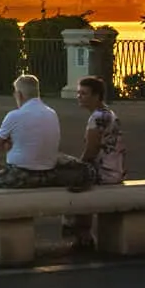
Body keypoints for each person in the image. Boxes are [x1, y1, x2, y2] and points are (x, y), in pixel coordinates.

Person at [60, 76, 126, 251]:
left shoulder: (97, 118)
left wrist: (77, 166)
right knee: (75, 176)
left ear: (97, 96)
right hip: (114, 170)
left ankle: (78, 231)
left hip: (104, 172)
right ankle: (82, 234)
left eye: (84, 93)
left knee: (67, 177)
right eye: (79, 93)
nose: (79, 96)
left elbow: (91, 151)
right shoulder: (108, 113)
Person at [0, 74, 61, 189]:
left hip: (21, 173)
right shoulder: (52, 114)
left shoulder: (14, 116)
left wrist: (8, 142)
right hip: (48, 173)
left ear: (19, 95)